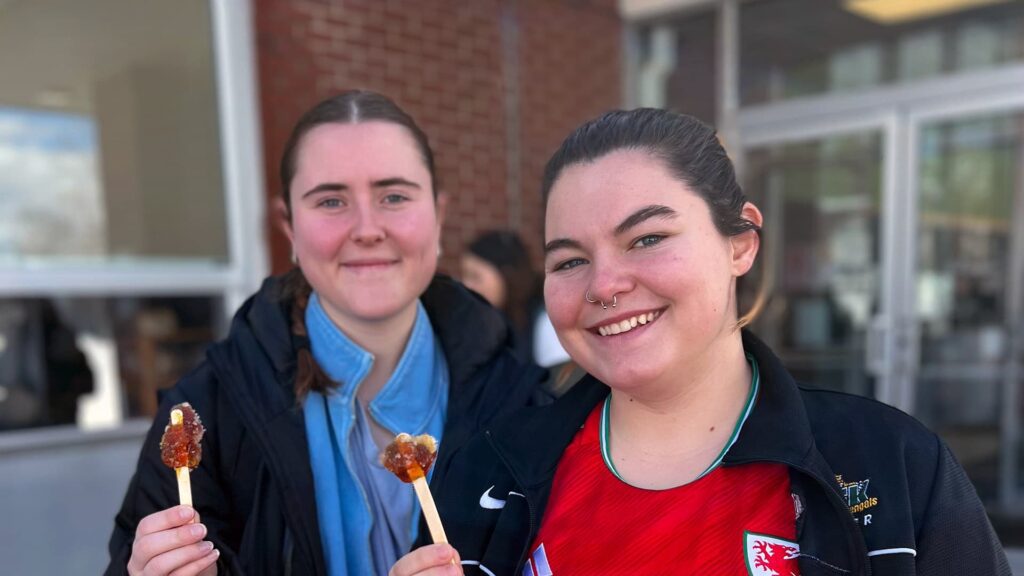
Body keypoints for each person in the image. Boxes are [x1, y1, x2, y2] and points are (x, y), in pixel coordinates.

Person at [391, 109, 1010, 575]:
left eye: (647, 238)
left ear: (740, 242)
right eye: (570, 260)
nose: (604, 285)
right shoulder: (483, 476)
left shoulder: (893, 467)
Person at [105, 91, 546, 576]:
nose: (367, 228)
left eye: (394, 196)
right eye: (331, 200)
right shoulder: (208, 413)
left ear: (439, 215)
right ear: (289, 226)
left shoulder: (523, 406)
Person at [460, 230, 569, 369]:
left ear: (506, 276)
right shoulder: (481, 322)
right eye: (464, 275)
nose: (467, 285)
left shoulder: (545, 322)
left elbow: (560, 383)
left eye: (475, 276)